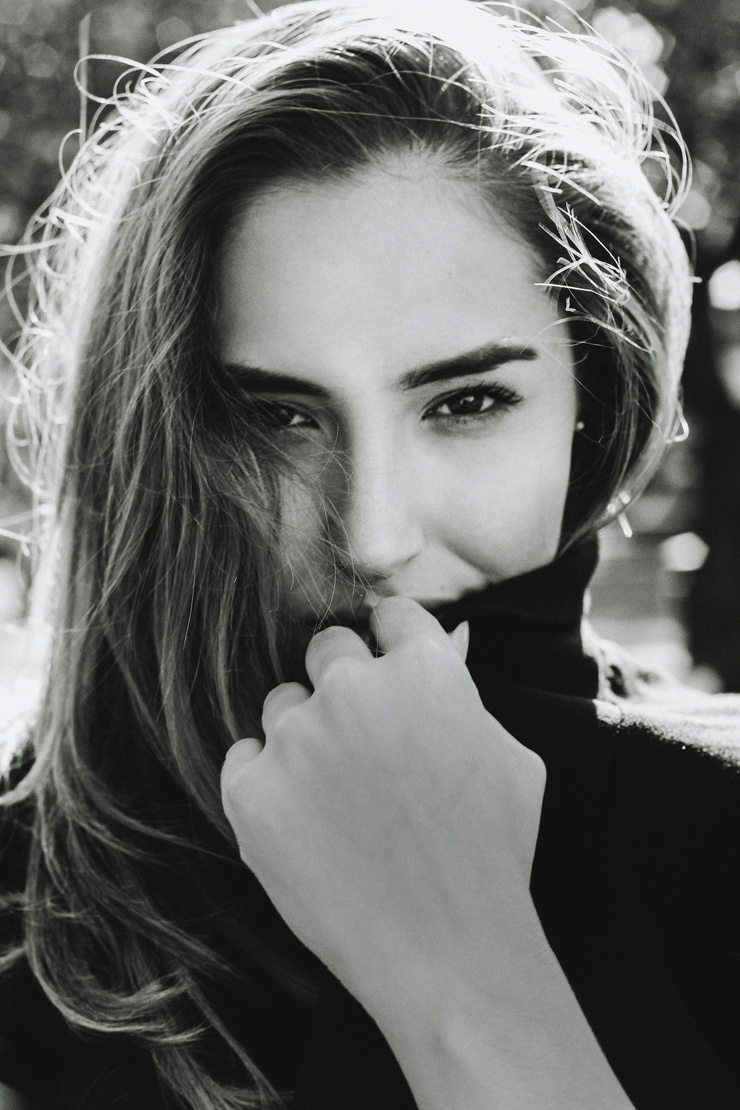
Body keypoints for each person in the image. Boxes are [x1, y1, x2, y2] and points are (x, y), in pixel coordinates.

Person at [0, 1, 738, 1107]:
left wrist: (457, 971)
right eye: (278, 419)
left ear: (597, 392)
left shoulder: (717, 840)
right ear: (163, 434)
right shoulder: (34, 908)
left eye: (467, 402)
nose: (372, 537)